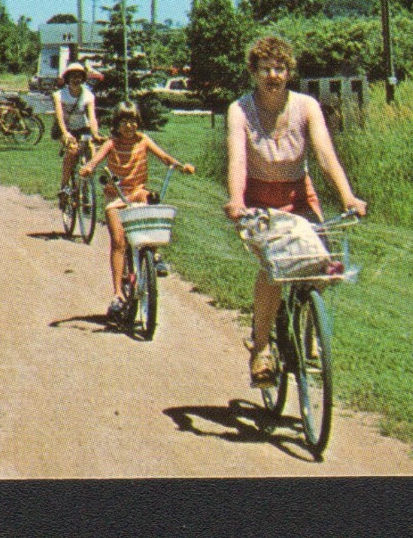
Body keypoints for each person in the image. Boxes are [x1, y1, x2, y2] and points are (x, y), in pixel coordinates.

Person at [223, 36, 367, 386]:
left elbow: (324, 154)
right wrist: (236, 200)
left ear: (289, 72)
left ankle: (310, 329)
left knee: (321, 261)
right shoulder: (240, 110)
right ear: (253, 73)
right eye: (266, 69)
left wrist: (348, 196)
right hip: (260, 201)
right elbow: (238, 160)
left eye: (280, 68)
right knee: (274, 269)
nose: (274, 75)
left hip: (299, 195)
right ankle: (260, 348)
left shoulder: (306, 106)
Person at [80, 102, 194, 315]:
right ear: (117, 124)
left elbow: (165, 157)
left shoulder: (143, 140)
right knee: (119, 241)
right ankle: (117, 294)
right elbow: (95, 160)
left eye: (132, 121)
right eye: (124, 121)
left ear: (138, 122)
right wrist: (88, 168)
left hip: (137, 191)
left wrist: (181, 166)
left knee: (151, 199)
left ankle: (155, 257)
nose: (129, 126)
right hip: (116, 197)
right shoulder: (112, 143)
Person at [52, 63, 101, 201]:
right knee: (72, 151)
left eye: (79, 76)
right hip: (65, 128)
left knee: (91, 151)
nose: (76, 79)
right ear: (68, 78)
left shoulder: (88, 96)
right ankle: (64, 187)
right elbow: (59, 115)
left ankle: (85, 187)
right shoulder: (59, 95)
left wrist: (95, 133)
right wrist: (65, 133)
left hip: (82, 128)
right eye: (73, 76)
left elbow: (92, 117)